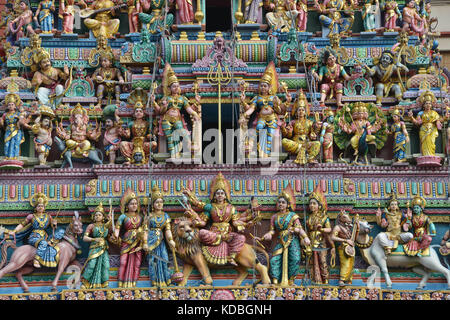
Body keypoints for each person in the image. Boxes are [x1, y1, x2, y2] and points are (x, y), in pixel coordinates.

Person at [182, 172, 247, 267]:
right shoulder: (210, 207)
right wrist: (193, 216)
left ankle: (231, 256)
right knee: (202, 233)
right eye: (217, 193)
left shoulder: (231, 208)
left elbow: (236, 222)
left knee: (241, 238)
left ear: (225, 196)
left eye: (222, 193)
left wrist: (245, 224)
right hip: (215, 235)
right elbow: (201, 215)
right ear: (214, 196)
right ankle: (221, 239)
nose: (220, 195)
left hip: (228, 234)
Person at [261, 185, 311, 286]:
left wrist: (305, 237)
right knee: (274, 260)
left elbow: (299, 229)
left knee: (295, 258)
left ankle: (291, 280)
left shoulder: (292, 216)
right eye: (279, 202)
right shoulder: (274, 217)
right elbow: (272, 231)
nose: (281, 204)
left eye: (283, 202)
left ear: (288, 204)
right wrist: (268, 234)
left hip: (292, 239)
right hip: (281, 240)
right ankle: (275, 281)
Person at [239, 61, 289, 158]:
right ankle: (250, 147)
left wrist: (285, 103)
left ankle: (267, 154)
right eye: (261, 85)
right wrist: (244, 111)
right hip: (261, 118)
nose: (263, 87)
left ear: (269, 87)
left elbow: (279, 111)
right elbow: (252, 109)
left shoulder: (273, 97)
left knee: (270, 133)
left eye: (265, 86)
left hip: (272, 118)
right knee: (258, 129)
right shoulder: (257, 98)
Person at [151, 63, 201, 159]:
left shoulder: (182, 99)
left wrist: (195, 109)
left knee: (182, 132)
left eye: (177, 86)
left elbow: (188, 109)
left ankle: (189, 147)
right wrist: (155, 103)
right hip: (166, 119)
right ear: (169, 88)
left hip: (177, 119)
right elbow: (160, 111)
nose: (176, 88)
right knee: (170, 138)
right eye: (174, 86)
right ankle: (175, 155)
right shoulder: (167, 98)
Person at [7, 193, 59, 269]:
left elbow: (53, 227)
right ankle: (36, 260)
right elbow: (22, 224)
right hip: (34, 237)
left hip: (45, 236)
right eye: (39, 206)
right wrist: (14, 231)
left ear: (44, 207)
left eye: (42, 206)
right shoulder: (31, 216)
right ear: (35, 207)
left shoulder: (48, 216)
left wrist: (54, 224)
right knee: (43, 243)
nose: (40, 207)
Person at [142, 185, 176, 286]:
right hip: (151, 241)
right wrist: (144, 243)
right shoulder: (149, 216)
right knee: (153, 261)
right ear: (153, 204)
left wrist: (171, 240)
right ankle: (155, 282)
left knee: (164, 260)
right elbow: (145, 230)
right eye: (157, 202)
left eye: (161, 202)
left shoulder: (165, 216)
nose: (159, 204)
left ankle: (165, 281)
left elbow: (168, 230)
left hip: (161, 242)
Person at [112, 188, 145, 288]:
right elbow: (117, 229)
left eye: (136, 203)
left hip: (138, 242)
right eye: (132, 204)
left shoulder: (141, 217)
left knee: (137, 263)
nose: (134, 205)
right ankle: (121, 281)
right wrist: (116, 235)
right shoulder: (123, 216)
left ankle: (133, 282)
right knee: (123, 262)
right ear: (126, 206)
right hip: (126, 241)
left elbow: (144, 229)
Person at [281, 90, 320, 164]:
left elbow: (313, 135)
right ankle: (302, 150)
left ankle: (310, 157)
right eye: (299, 110)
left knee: (317, 143)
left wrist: (316, 129)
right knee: (284, 141)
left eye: (303, 110)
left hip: (307, 144)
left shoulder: (310, 122)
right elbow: (288, 135)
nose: (301, 111)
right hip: (296, 144)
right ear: (296, 112)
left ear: (305, 112)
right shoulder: (293, 122)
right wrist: (285, 129)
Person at [81, 203, 114, 289]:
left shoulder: (106, 226)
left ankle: (104, 283)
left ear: (103, 217)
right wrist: (94, 239)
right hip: (94, 247)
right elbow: (84, 238)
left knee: (106, 265)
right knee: (91, 265)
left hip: (104, 248)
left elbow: (112, 234)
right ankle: (85, 282)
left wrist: (110, 220)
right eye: (96, 215)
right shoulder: (91, 226)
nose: (97, 216)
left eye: (99, 215)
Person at [306, 185, 334, 285]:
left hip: (321, 241)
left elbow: (329, 229)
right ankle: (315, 279)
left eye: (314, 203)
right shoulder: (308, 217)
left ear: (319, 205)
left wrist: (321, 228)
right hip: (311, 241)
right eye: (310, 204)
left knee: (322, 261)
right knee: (313, 262)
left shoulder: (324, 217)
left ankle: (325, 279)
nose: (312, 206)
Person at [408, 90, 442, 157]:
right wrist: (411, 117)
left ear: (431, 105)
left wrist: (446, 117)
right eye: (426, 103)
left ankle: (431, 155)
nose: (428, 105)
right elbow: (417, 123)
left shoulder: (434, 113)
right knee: (424, 143)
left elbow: (439, 120)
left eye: (429, 103)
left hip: (432, 129)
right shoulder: (420, 113)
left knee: (432, 142)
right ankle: (425, 155)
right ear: (423, 105)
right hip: (423, 129)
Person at [331, 210, 359, 286]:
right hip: (343, 247)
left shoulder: (347, 227)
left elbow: (354, 238)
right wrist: (346, 240)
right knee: (345, 264)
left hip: (351, 247)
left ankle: (349, 279)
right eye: (344, 217)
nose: (347, 219)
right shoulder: (337, 227)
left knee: (351, 264)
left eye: (347, 217)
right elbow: (333, 237)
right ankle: (341, 280)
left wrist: (357, 228)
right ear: (340, 218)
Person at [0, 93, 30, 160]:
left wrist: (19, 118)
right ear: (7, 106)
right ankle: (7, 157)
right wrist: (1, 121)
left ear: (15, 106)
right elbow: (1, 121)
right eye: (9, 105)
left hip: (16, 130)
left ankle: (15, 157)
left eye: (12, 105)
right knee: (7, 143)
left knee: (15, 143)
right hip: (8, 130)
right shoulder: (5, 114)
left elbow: (23, 122)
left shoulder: (18, 114)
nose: (10, 106)